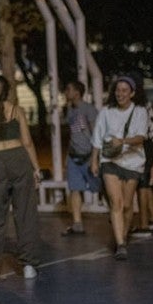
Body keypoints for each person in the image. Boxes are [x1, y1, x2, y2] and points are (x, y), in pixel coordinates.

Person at [0, 74, 42, 281]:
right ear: (7, 90)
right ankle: (29, 265)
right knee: (25, 213)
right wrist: (36, 168)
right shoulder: (16, 110)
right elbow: (28, 142)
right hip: (18, 159)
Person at [90, 75, 149, 260]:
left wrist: (121, 141)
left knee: (127, 204)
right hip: (110, 161)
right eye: (117, 90)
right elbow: (97, 138)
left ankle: (123, 236)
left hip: (133, 162)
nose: (120, 94)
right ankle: (121, 244)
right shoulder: (106, 112)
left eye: (124, 90)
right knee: (116, 203)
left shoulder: (140, 112)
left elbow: (141, 138)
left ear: (132, 93)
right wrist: (94, 160)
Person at [61, 80, 99, 236]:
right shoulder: (70, 110)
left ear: (77, 92)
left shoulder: (89, 109)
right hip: (73, 156)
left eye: (68, 89)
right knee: (75, 189)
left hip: (89, 155)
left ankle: (116, 215)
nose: (66, 92)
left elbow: (96, 133)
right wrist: (66, 156)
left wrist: (95, 157)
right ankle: (77, 224)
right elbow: (72, 134)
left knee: (99, 187)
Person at [133, 81, 153, 237]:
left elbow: (139, 133)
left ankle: (143, 226)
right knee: (146, 180)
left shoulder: (138, 107)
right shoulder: (146, 103)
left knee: (141, 183)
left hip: (146, 145)